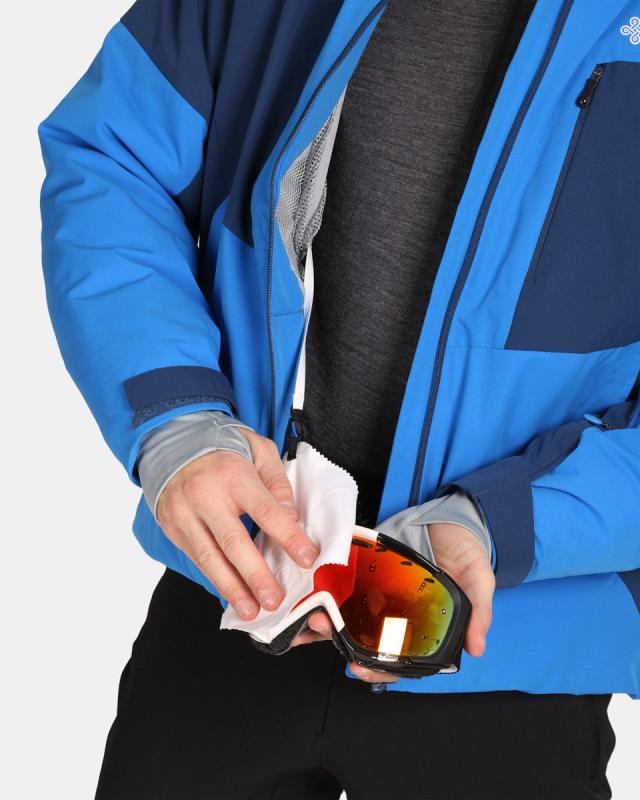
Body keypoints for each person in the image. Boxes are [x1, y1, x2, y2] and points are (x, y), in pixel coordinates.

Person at [38, 1, 640, 797]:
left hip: (509, 638)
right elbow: (115, 160)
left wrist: (505, 522)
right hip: (239, 587)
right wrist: (178, 416)